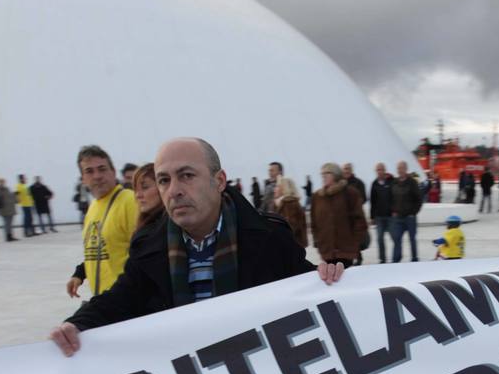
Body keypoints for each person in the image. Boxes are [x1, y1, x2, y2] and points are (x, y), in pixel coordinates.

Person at [50, 138, 343, 355]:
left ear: (219, 181)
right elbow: (120, 299)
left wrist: (329, 277)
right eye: (164, 180)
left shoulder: (268, 238)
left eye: (186, 176)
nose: (174, 190)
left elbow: (305, 288)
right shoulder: (149, 248)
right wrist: (77, 324)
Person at [67, 145, 140, 299]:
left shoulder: (129, 201)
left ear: (113, 172)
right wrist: (80, 274)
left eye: (102, 169)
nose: (97, 176)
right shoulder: (93, 207)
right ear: (83, 179)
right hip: (103, 300)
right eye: (89, 171)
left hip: (125, 300)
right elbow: (100, 248)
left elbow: (143, 255)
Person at [310, 162, 368, 268]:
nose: (323, 177)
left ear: (335, 175)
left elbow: (360, 220)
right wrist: (318, 240)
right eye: (322, 174)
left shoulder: (350, 193)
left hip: (346, 248)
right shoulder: (317, 197)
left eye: (327, 173)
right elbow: (314, 222)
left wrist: (355, 242)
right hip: (326, 248)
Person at [388, 159, 423, 262]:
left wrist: (413, 212)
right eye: (399, 168)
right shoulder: (394, 182)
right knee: (397, 240)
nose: (400, 170)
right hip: (398, 217)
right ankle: (396, 260)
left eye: (402, 168)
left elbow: (419, 199)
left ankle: (414, 259)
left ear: (406, 169)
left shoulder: (412, 182)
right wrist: (393, 210)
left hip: (410, 218)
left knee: (412, 239)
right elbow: (390, 198)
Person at [273, 176, 308, 249]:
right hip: (286, 245)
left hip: (292, 246)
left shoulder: (290, 204)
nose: (274, 189)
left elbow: (291, 227)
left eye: (277, 186)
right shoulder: (278, 204)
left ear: (284, 188)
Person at [369, 162, 394, 262]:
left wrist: (395, 210)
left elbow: (395, 197)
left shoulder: (391, 182)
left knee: (395, 238)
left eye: (381, 169)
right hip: (379, 217)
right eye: (378, 170)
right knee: (380, 239)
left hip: (390, 217)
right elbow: (372, 201)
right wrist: (372, 217)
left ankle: (395, 258)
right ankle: (382, 259)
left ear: (384, 170)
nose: (380, 172)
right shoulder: (374, 184)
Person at [131, 162, 166, 234]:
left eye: (145, 187)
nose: (138, 195)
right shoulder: (145, 225)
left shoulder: (170, 229)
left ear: (161, 187)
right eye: (136, 189)